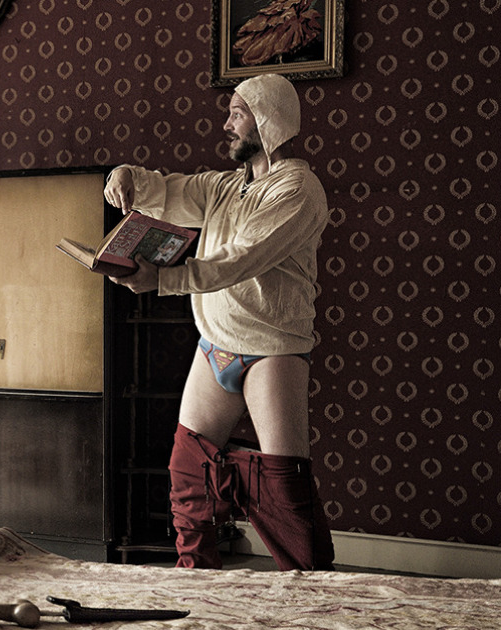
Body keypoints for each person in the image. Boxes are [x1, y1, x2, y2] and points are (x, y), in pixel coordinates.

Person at [102, 73, 335, 571]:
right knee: (188, 471)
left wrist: (164, 280)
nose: (227, 124)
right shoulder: (225, 186)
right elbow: (169, 190)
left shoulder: (298, 189)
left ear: (268, 121)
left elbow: (242, 258)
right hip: (214, 346)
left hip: (271, 350)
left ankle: (314, 591)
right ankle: (196, 578)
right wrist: (126, 176)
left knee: (284, 485)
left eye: (237, 114)